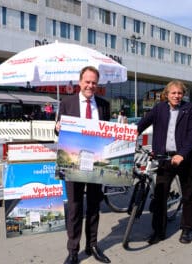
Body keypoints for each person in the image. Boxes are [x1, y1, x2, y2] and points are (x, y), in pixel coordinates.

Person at [55, 66, 111, 264]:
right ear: (80, 82)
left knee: (94, 205)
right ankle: (73, 250)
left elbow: (108, 134)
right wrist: (57, 127)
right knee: (75, 207)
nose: (90, 86)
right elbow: (58, 129)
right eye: (87, 82)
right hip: (73, 163)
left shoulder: (104, 105)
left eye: (94, 82)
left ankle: (93, 245)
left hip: (96, 164)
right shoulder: (67, 102)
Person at [137, 80, 192, 245]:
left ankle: (186, 229)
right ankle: (159, 231)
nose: (177, 96)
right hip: (164, 159)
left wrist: (182, 154)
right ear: (167, 94)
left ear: (183, 94)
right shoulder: (159, 108)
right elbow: (142, 124)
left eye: (180, 93)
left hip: (186, 159)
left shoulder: (190, 109)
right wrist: (126, 135)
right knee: (160, 196)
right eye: (173, 93)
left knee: (188, 195)